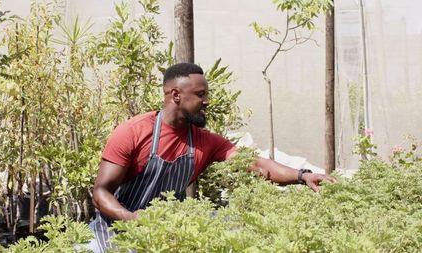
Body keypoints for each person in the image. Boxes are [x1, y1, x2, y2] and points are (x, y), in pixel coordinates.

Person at [88, 63, 335, 252]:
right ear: (176, 95)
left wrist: (302, 176)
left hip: (164, 230)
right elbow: (101, 193)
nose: (206, 102)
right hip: (116, 228)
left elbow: (258, 164)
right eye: (200, 95)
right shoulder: (134, 132)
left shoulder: (205, 141)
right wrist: (133, 219)